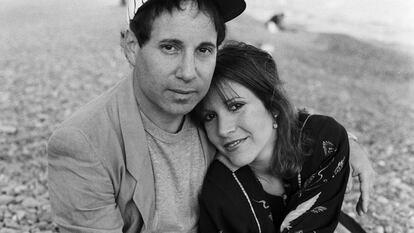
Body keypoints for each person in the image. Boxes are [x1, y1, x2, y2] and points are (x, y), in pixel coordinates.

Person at [47, 0, 373, 232]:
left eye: (203, 50)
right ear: (132, 46)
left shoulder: (202, 107)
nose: (189, 73)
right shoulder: (84, 144)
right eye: (170, 47)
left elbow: (262, 106)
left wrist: (346, 142)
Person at [195, 41, 365, 232]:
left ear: (273, 105)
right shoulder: (221, 190)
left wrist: (351, 143)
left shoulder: (324, 143)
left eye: (236, 106)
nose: (223, 129)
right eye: (209, 116)